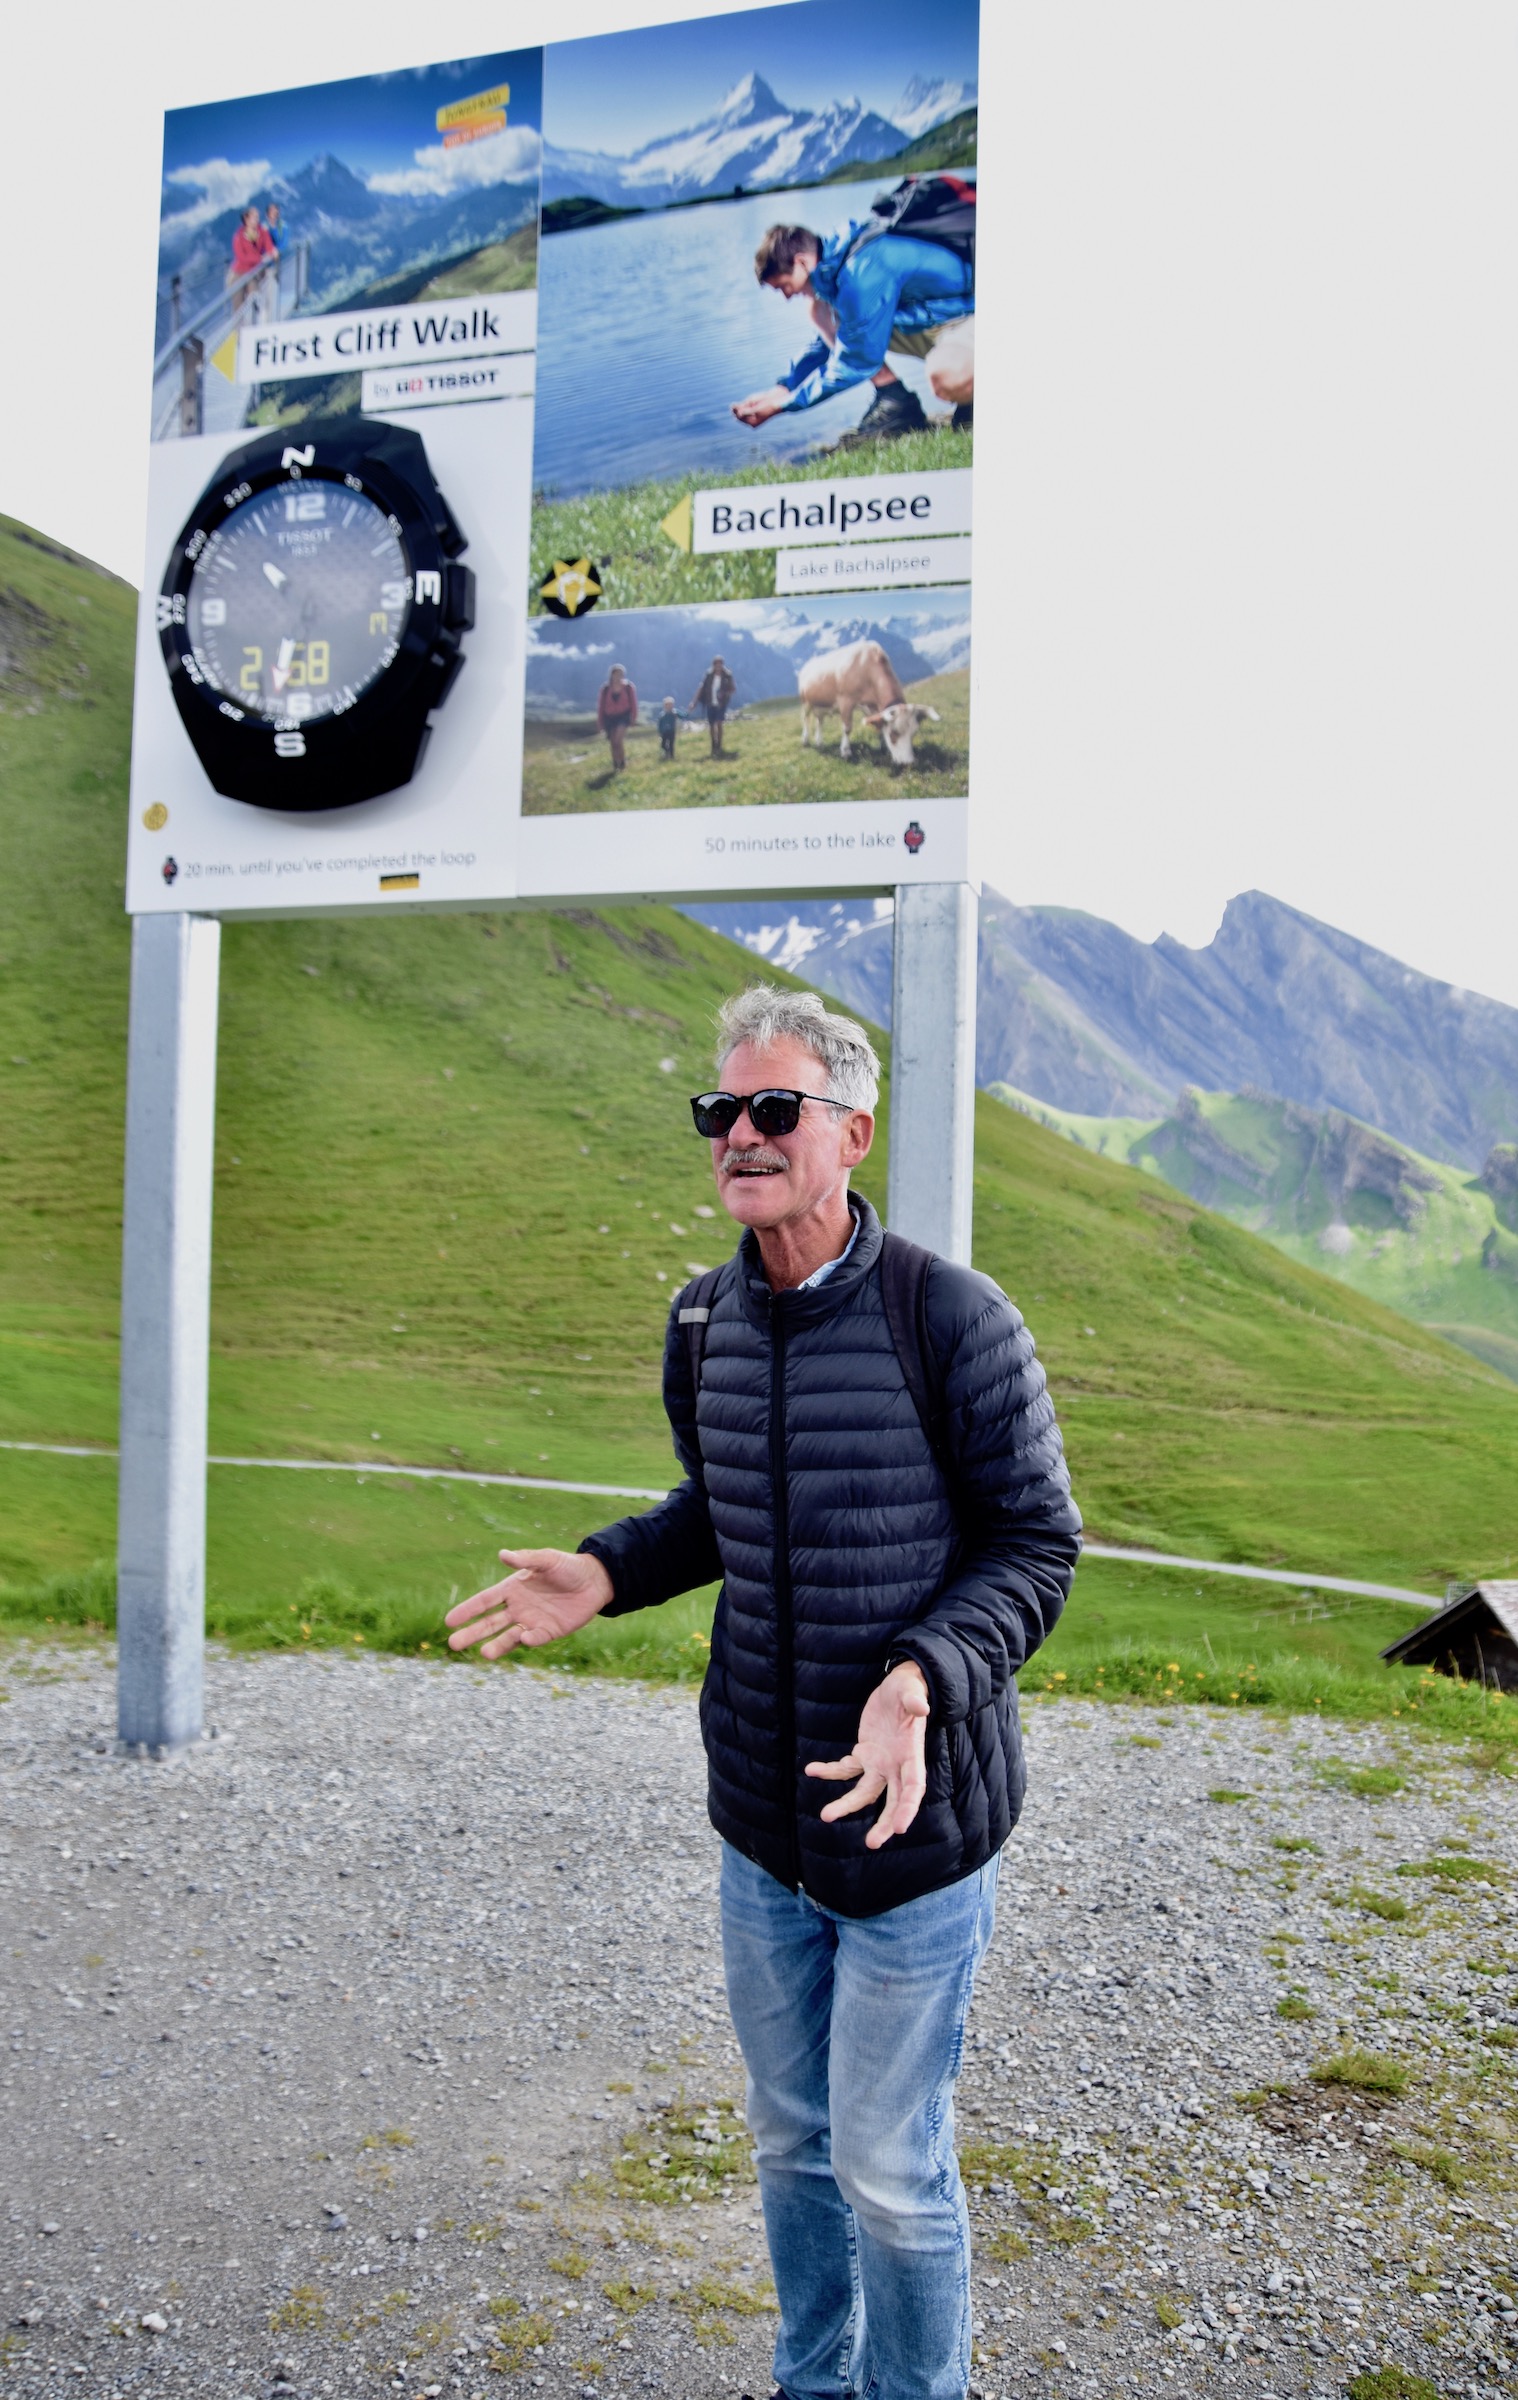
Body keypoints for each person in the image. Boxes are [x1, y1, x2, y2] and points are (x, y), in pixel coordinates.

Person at [446, 984, 1081, 2400]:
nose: (739, 1133)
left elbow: (1037, 1544)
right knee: (790, 2140)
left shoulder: (950, 1315)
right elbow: (719, 1513)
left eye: (771, 1107)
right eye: (718, 1111)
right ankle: (813, 2382)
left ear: (850, 1131)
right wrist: (608, 1573)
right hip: (761, 1828)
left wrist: (924, 1673)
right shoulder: (701, 1322)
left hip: (915, 1833)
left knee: (888, 2167)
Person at [734, 218, 973, 442]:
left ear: (801, 262)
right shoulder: (840, 266)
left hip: (971, 316)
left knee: (945, 376)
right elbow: (837, 340)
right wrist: (783, 388)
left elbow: (853, 361)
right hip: (941, 323)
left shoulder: (860, 273)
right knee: (823, 313)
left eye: (784, 286)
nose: (787, 296)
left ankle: (969, 388)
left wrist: (784, 405)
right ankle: (896, 401)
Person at [229, 205, 277, 329]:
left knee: (255, 297)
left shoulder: (262, 231)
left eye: (257, 217)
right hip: (239, 272)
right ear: (246, 219)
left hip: (253, 273)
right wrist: (261, 259)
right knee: (238, 304)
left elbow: (268, 245)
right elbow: (242, 257)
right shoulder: (238, 236)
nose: (257, 219)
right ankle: (239, 331)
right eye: (254, 217)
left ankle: (254, 327)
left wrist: (272, 252)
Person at [690, 655, 736, 757]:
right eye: (716, 664)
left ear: (722, 665)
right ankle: (713, 745)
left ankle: (719, 745)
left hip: (721, 703)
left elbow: (733, 689)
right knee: (711, 724)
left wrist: (724, 693)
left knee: (719, 723)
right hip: (710, 702)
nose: (718, 666)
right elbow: (701, 688)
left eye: (720, 664)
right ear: (714, 665)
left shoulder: (727, 676)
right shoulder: (709, 675)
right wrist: (694, 702)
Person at [595, 662, 637, 772]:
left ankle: (622, 763)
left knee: (618, 740)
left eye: (621, 674)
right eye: (617, 674)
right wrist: (600, 722)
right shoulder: (605, 689)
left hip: (623, 716)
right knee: (613, 742)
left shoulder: (628, 687)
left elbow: (633, 704)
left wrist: (633, 718)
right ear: (612, 675)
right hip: (610, 718)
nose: (619, 677)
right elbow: (601, 707)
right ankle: (615, 763)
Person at [657, 695, 680, 760]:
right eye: (668, 705)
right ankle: (667, 752)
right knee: (663, 744)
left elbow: (680, 715)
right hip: (664, 732)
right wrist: (660, 731)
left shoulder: (674, 713)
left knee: (671, 744)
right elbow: (659, 724)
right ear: (665, 705)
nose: (669, 706)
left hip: (672, 731)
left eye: (671, 705)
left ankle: (672, 756)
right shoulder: (662, 715)